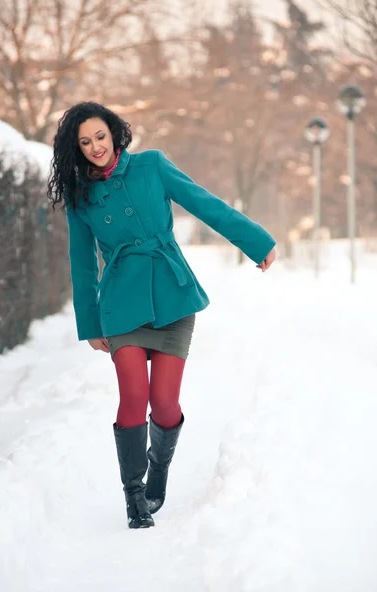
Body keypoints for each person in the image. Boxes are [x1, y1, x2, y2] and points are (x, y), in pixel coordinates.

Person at [47, 101, 276, 530]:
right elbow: (80, 263)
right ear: (76, 150)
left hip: (172, 295)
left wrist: (256, 241)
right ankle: (134, 495)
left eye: (100, 136)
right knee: (133, 397)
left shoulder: (152, 166)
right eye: (85, 142)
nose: (96, 146)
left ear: (114, 133)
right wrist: (90, 322)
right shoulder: (80, 198)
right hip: (120, 305)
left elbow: (204, 203)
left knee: (164, 402)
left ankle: (160, 466)